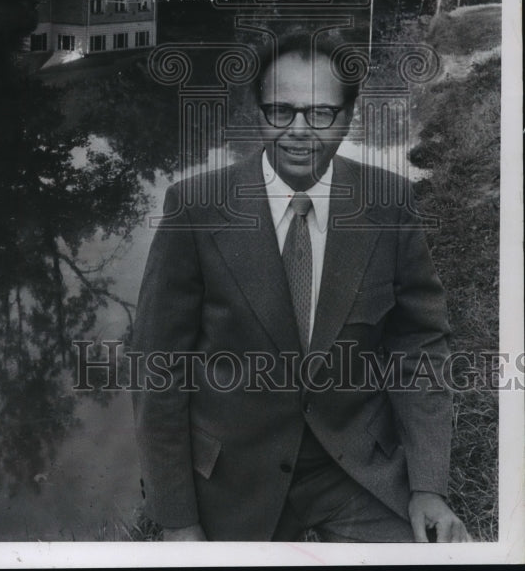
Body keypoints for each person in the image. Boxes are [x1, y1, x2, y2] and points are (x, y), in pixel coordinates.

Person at [132, 31, 469, 543]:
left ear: (348, 117)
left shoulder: (389, 203)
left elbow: (418, 345)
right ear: (256, 112)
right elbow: (157, 369)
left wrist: (427, 486)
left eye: (320, 113)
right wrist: (178, 520)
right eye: (280, 110)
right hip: (232, 476)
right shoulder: (194, 209)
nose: (298, 131)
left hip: (356, 468)